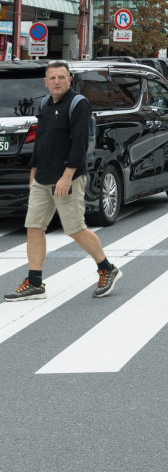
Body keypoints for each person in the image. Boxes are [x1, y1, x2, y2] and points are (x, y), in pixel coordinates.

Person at [4, 61, 122, 302]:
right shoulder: (45, 103)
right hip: (42, 176)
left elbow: (80, 145)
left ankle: (107, 269)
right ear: (45, 82)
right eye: (52, 77)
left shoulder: (79, 105)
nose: (57, 81)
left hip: (67, 177)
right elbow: (41, 141)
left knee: (75, 228)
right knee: (34, 227)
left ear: (70, 80)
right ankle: (35, 283)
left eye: (61, 77)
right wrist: (33, 171)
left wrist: (67, 177)